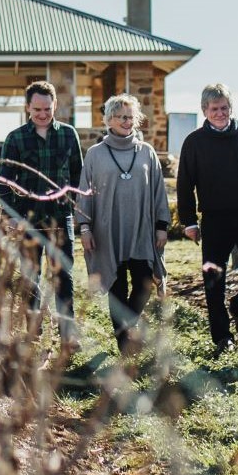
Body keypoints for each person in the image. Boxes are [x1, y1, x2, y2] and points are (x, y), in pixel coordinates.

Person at [176, 83, 238, 353]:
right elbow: (185, 184)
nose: (220, 113)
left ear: (231, 108)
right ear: (205, 110)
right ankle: (222, 336)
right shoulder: (194, 142)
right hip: (214, 218)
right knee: (213, 279)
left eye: (224, 108)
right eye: (214, 109)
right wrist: (190, 222)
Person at [76, 94, 170, 357]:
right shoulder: (95, 154)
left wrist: (162, 225)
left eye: (131, 117)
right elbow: (84, 192)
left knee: (143, 284)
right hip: (107, 231)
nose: (127, 122)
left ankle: (126, 324)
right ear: (109, 120)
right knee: (116, 288)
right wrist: (85, 228)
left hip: (141, 229)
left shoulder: (147, 152)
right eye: (121, 117)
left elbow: (158, 191)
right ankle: (124, 343)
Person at [0, 81, 83, 325]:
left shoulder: (69, 135)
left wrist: (76, 208)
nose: (43, 115)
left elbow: (78, 175)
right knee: (30, 276)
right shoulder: (15, 139)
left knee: (63, 275)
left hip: (60, 215)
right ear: (28, 108)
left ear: (54, 104)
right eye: (37, 110)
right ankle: (33, 330)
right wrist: (12, 215)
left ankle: (68, 332)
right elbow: (3, 182)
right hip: (28, 217)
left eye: (47, 109)